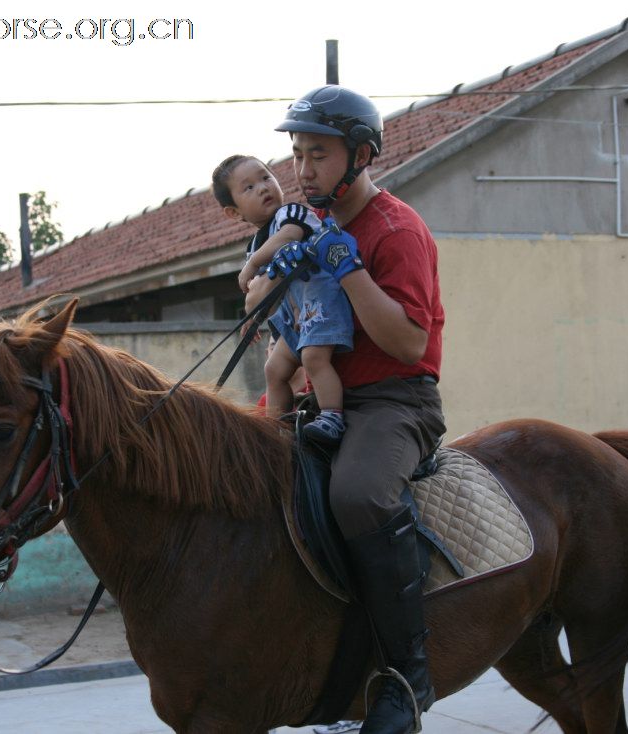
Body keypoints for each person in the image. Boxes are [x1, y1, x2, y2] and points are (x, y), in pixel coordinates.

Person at [270, 86, 445, 734]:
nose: (302, 168)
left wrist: (348, 269)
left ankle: (406, 678)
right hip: (328, 394)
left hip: (395, 401)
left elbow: (409, 342)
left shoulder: (397, 230)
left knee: (360, 495)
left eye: (318, 154)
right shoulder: (315, 223)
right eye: (297, 154)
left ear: (361, 155)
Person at [211, 154, 352, 443]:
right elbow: (263, 295)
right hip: (295, 315)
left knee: (314, 358)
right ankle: (274, 430)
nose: (263, 187)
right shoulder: (254, 246)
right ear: (234, 213)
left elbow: (287, 239)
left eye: (265, 177)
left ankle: (332, 415)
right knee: (273, 368)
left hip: (320, 302)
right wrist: (252, 320)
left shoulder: (291, 214)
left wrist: (251, 266)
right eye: (248, 187)